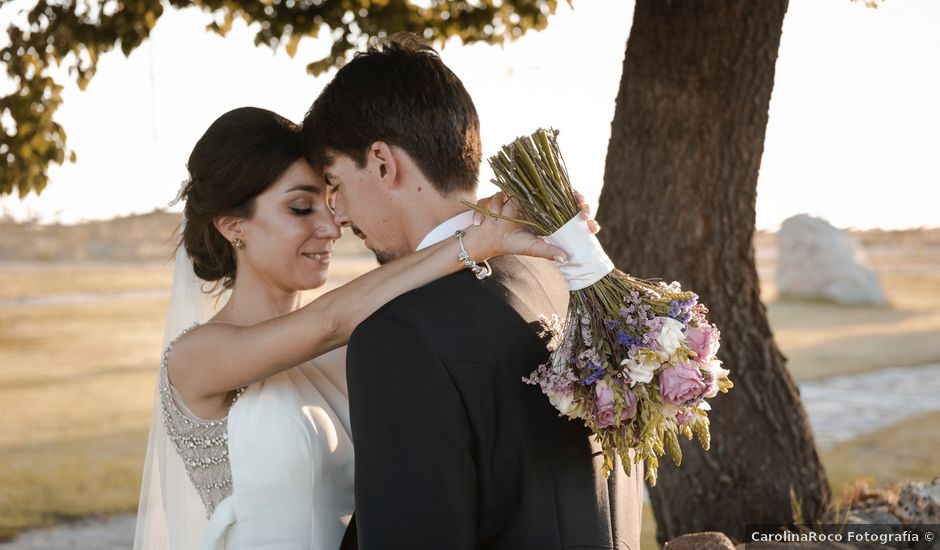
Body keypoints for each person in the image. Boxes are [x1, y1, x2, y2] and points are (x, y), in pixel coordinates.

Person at [132, 106, 571, 550]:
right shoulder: (196, 357)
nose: (330, 227)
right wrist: (474, 241)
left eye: (329, 201)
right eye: (301, 207)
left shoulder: (361, 340)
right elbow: (327, 322)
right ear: (233, 226)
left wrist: (513, 224)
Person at [301, 34, 644, 550]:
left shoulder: (398, 338)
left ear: (381, 162)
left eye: (335, 184)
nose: (338, 214)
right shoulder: (561, 282)